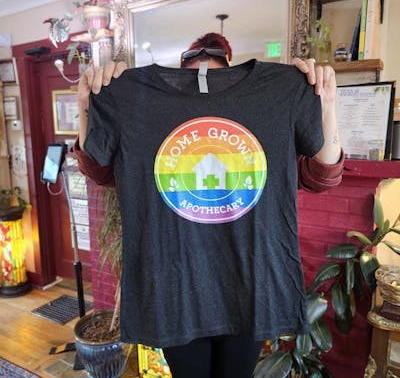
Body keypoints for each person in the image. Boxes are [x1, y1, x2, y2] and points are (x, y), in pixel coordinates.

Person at [74, 33, 344, 378]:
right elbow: (97, 167)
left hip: (247, 285)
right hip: (176, 287)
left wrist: (327, 104)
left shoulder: (278, 91)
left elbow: (323, 176)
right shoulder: (133, 97)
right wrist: (87, 106)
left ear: (230, 65)